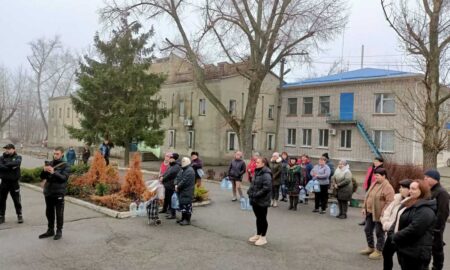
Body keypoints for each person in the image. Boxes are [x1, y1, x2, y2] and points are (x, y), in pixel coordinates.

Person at [392, 180, 436, 270]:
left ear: (422, 191)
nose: (410, 191)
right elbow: (398, 219)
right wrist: (391, 233)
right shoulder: (409, 202)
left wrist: (395, 236)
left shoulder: (425, 209)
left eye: (414, 189)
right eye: (410, 188)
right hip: (406, 250)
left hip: (417, 253)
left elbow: (415, 229)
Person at [360, 168, 395, 260]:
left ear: (384, 176)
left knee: (379, 232)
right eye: (375, 175)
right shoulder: (374, 184)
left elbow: (390, 202)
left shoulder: (388, 187)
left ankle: (379, 251)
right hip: (370, 212)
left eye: (378, 175)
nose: (375, 177)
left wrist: (384, 211)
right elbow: (367, 196)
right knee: (367, 229)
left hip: (380, 214)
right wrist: (364, 207)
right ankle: (370, 247)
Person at [38, 146, 71, 240]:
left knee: (59, 213)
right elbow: (42, 177)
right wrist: (43, 170)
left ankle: (59, 231)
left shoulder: (66, 165)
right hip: (48, 192)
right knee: (49, 212)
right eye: (54, 153)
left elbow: (64, 178)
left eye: (57, 154)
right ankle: (50, 230)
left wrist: (53, 172)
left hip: (59, 192)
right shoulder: (50, 163)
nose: (55, 155)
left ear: (62, 154)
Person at [380, 179, 412, 270]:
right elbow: (387, 212)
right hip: (391, 232)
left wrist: (388, 226)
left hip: (401, 234)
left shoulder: (410, 203)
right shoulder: (397, 198)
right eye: (400, 187)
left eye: (403, 188)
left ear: (409, 190)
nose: (400, 189)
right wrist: (385, 223)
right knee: (386, 253)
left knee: (402, 259)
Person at [423, 170, 449, 270]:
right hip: (428, 227)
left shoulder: (442, 193)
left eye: (427, 177)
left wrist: (436, 229)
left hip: (435, 228)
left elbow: (443, 213)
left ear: (435, 179)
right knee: (429, 249)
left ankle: (437, 267)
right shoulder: (430, 190)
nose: (424, 179)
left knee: (437, 249)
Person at [247, 157, 272, 246]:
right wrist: (249, 191)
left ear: (263, 164)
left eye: (258, 162)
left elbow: (266, 188)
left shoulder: (266, 174)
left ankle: (263, 237)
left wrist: (256, 194)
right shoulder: (257, 172)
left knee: (262, 218)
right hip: (255, 199)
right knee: (258, 218)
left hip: (262, 200)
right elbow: (253, 184)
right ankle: (258, 234)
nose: (256, 164)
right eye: (256, 162)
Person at [0, 144, 23, 224]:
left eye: (9, 149)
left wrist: (5, 165)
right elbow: (0, 166)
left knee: (17, 200)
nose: (7, 150)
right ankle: (1, 216)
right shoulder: (1, 158)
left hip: (14, 183)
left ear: (13, 149)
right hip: (4, 182)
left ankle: (19, 215)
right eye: (6, 149)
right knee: (2, 200)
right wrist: (10, 166)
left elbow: (16, 163)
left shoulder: (18, 157)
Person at [359, 157, 384, 226]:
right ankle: (366, 219)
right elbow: (368, 177)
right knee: (367, 203)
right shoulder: (371, 168)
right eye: (374, 161)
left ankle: (373, 220)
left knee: (372, 204)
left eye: (377, 161)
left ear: (381, 163)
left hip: (375, 189)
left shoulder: (381, 170)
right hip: (369, 187)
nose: (375, 162)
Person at [159, 153, 181, 219]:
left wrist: (163, 178)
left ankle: (172, 213)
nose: (169, 159)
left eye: (171, 158)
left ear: (175, 159)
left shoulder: (177, 166)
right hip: (167, 184)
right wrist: (162, 176)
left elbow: (170, 174)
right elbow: (166, 172)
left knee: (171, 199)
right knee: (166, 198)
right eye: (170, 158)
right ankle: (164, 209)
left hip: (172, 185)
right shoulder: (171, 165)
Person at [175, 157, 195, 225]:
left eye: (184, 162)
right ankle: (183, 219)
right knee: (183, 205)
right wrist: (176, 184)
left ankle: (187, 220)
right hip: (182, 191)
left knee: (187, 206)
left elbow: (184, 181)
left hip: (187, 191)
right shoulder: (183, 169)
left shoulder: (190, 170)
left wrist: (178, 186)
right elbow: (177, 177)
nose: (182, 163)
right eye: (182, 161)